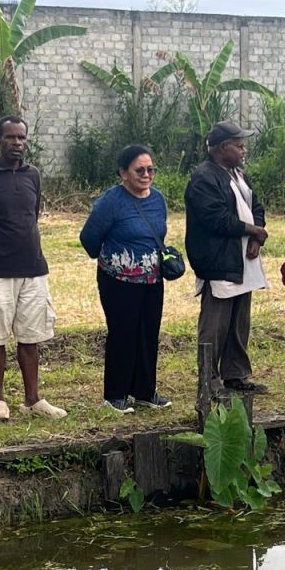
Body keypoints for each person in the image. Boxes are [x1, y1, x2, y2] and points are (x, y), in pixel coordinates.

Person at [0, 115, 66, 423]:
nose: (17, 143)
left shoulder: (32, 175)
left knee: (30, 334)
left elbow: (32, 215)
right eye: (10, 137)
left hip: (33, 268)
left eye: (21, 138)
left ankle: (32, 399)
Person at [80, 145, 172, 414]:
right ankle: (115, 393)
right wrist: (114, 260)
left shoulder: (158, 200)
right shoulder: (112, 201)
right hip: (118, 281)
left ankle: (144, 391)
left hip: (152, 279)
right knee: (123, 333)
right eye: (139, 170)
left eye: (150, 169)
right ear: (123, 173)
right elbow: (89, 238)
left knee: (148, 333)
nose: (146, 174)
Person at [184, 121, 269, 395]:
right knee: (215, 326)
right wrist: (252, 229)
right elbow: (216, 218)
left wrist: (256, 237)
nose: (244, 150)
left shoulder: (238, 173)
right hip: (219, 260)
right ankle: (209, 381)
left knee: (239, 322)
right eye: (239, 145)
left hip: (243, 260)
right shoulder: (204, 177)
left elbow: (255, 205)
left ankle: (236, 375)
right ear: (223, 147)